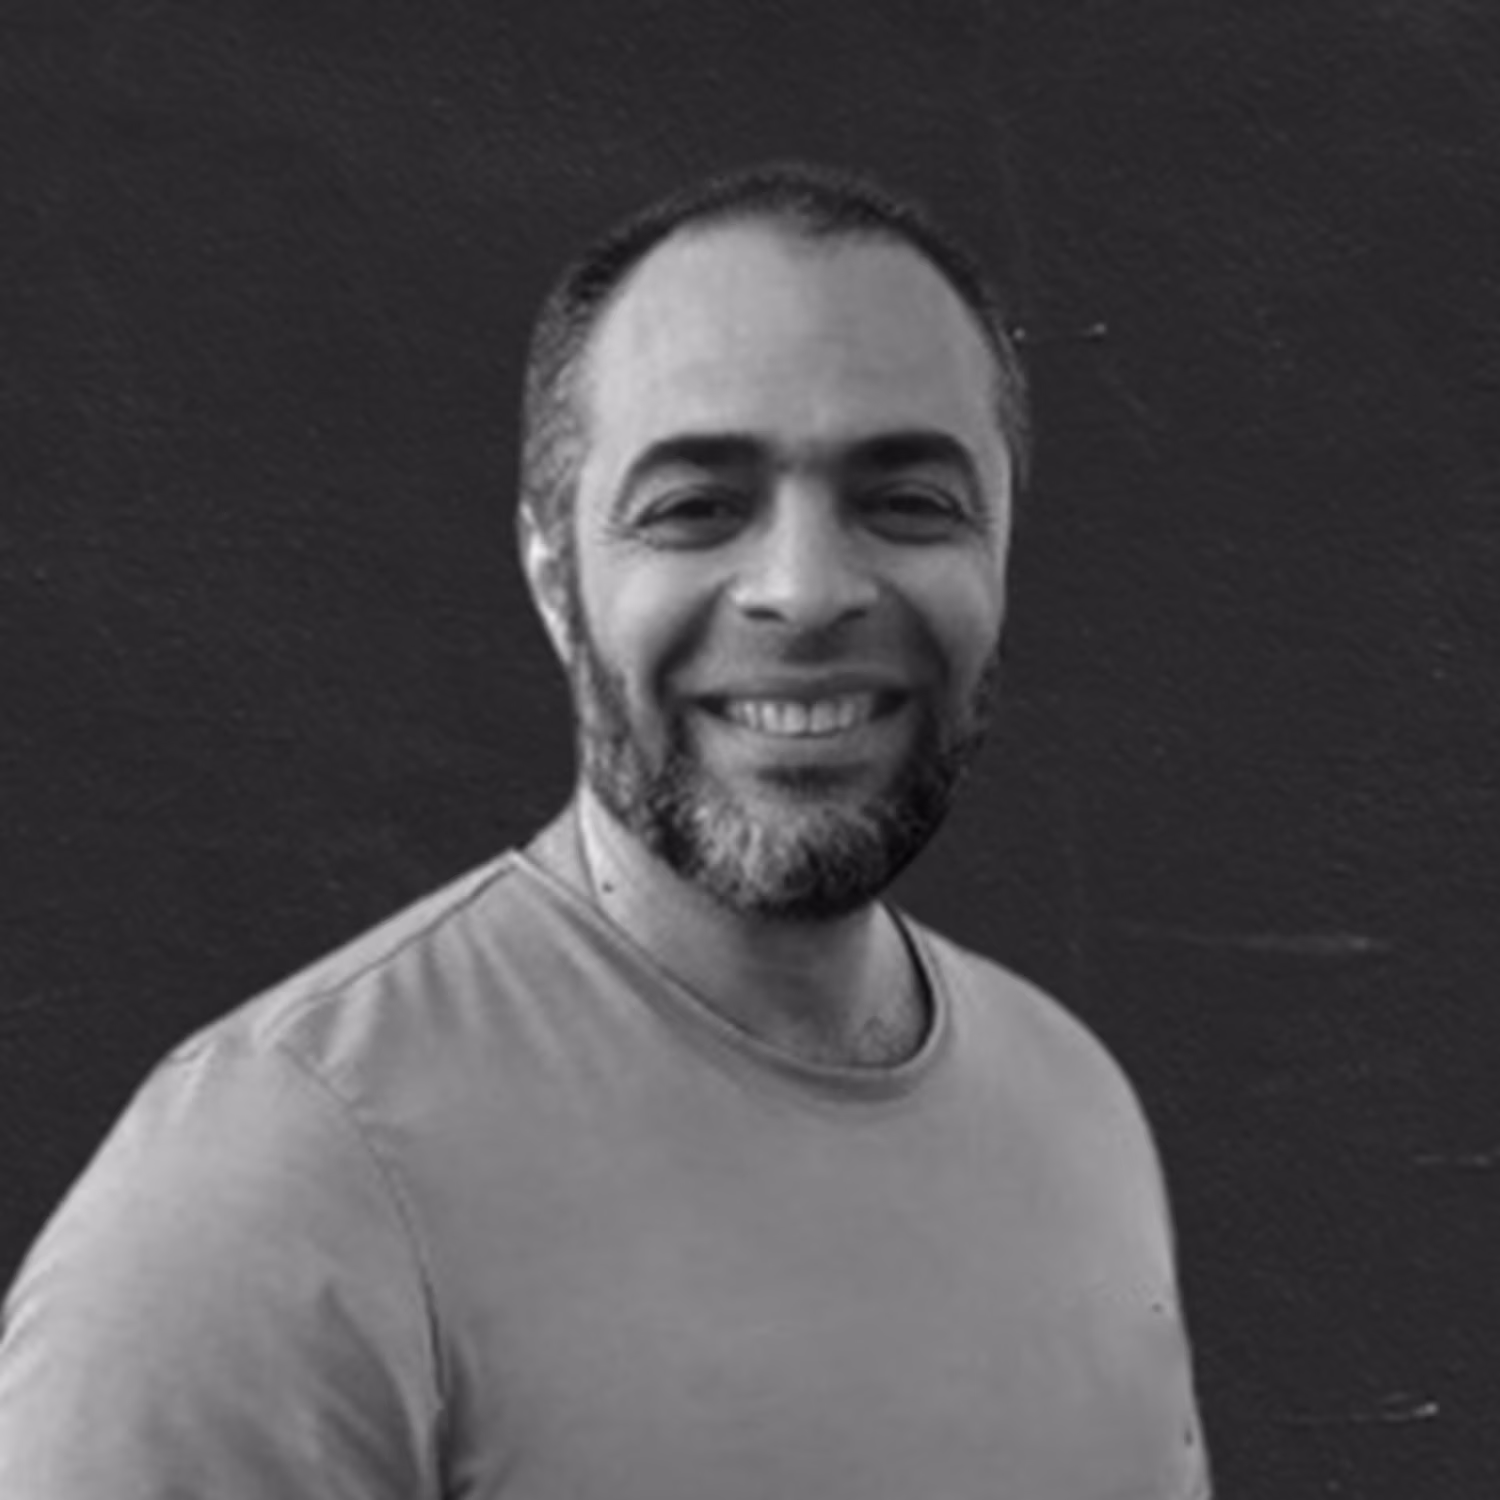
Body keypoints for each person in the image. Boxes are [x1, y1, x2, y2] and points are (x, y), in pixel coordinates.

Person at [0, 161, 1211, 1498]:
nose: (806, 591)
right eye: (695, 507)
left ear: (1001, 551)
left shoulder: (1075, 1107)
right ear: (551, 572)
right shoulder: (277, 1183)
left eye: (908, 502)